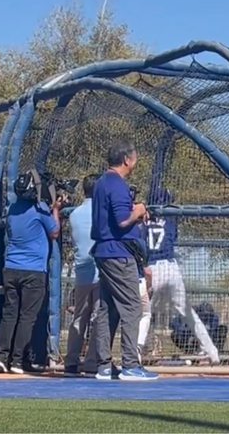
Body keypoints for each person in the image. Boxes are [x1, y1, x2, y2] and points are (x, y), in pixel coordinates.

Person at [91, 139, 158, 381]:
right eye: (135, 157)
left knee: (107, 308)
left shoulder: (101, 183)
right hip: (118, 253)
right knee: (132, 306)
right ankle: (130, 364)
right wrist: (138, 210)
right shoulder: (117, 184)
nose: (136, 161)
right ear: (127, 160)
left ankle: (104, 365)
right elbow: (122, 220)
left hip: (105, 252)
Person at [137, 187, 220, 365]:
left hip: (152, 268)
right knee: (188, 313)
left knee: (144, 313)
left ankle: (136, 353)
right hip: (171, 268)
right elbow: (173, 237)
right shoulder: (171, 217)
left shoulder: (142, 218)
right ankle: (211, 351)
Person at [0, 172, 61, 374]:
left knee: (9, 314)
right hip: (33, 270)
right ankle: (16, 361)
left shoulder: (13, 209)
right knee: (27, 317)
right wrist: (55, 209)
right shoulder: (40, 209)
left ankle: (1, 357)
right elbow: (54, 232)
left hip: (11, 268)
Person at [64, 174, 100, 377]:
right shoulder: (102, 211)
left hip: (82, 274)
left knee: (79, 318)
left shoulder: (75, 214)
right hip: (101, 273)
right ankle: (92, 362)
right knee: (99, 319)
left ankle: (71, 361)